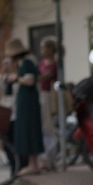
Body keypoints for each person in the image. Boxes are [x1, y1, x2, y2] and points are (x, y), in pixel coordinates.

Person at [4, 37, 45, 174]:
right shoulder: (25, 63)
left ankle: (33, 165)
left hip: (28, 103)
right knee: (28, 132)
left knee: (30, 132)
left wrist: (16, 78)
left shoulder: (27, 62)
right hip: (26, 102)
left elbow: (30, 80)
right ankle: (33, 163)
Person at [38, 38, 59, 166]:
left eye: (43, 48)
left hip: (49, 96)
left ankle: (51, 158)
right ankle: (46, 157)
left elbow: (45, 76)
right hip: (41, 95)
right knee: (43, 127)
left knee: (48, 126)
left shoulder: (54, 64)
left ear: (50, 50)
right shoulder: (41, 63)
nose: (42, 51)